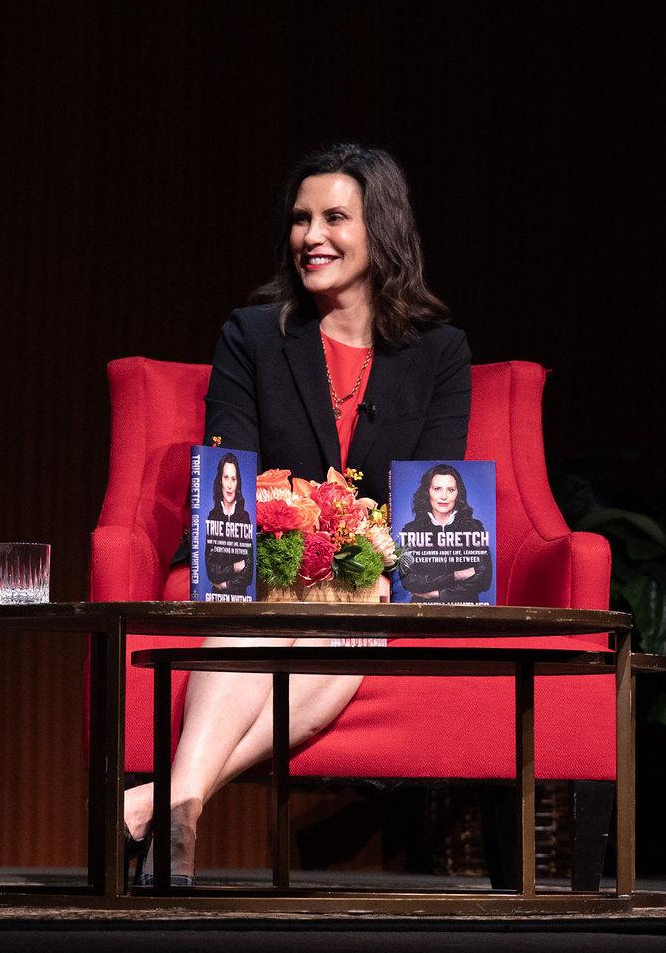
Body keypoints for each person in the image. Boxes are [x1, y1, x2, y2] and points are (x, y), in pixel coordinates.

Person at [124, 144, 471, 883]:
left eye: (333, 218)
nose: (310, 235)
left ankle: (168, 802)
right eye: (299, 219)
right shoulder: (253, 336)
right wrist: (293, 542)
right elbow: (234, 469)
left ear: (381, 230)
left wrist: (370, 558)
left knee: (351, 610)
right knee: (268, 606)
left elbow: (432, 493)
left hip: (369, 580)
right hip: (265, 561)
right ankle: (178, 823)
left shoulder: (438, 352)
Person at [397, 463, 493, 602]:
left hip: (465, 612)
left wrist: (438, 594)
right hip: (422, 613)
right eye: (437, 489)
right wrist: (457, 575)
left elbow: (484, 579)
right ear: (427, 492)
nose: (443, 496)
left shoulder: (474, 528)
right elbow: (409, 581)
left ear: (458, 493)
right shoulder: (411, 530)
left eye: (450, 490)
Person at [202, 452, 254, 597]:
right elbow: (211, 570)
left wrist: (226, 585)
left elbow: (249, 572)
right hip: (216, 599)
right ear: (220, 480)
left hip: (241, 598)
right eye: (226, 478)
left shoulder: (244, 518)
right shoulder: (213, 517)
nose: (230, 485)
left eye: (233, 479)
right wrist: (236, 566)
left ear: (238, 482)